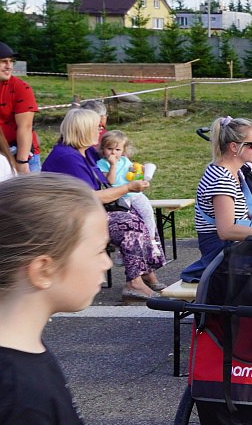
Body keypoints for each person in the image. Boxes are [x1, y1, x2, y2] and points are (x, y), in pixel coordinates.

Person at [0, 173, 108, 425]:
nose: (108, 264)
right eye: (98, 250)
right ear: (43, 269)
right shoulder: (19, 394)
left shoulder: (25, 354)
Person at [42, 108, 166, 301]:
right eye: (96, 127)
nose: (100, 132)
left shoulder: (85, 152)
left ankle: (146, 272)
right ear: (82, 130)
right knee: (129, 223)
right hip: (72, 219)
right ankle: (134, 282)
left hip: (88, 213)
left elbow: (113, 166)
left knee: (140, 214)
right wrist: (127, 188)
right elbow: (92, 197)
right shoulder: (66, 157)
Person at [181, 115, 252, 283]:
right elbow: (226, 231)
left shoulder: (233, 172)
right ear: (234, 146)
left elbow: (250, 208)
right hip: (222, 255)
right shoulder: (222, 180)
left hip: (235, 248)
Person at [96, 130, 163, 267]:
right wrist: (113, 165)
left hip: (135, 195)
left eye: (118, 149)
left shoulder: (125, 160)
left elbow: (131, 174)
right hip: (120, 198)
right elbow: (110, 181)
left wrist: (137, 172)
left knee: (148, 215)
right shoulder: (102, 163)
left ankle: (151, 242)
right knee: (128, 226)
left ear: (123, 151)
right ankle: (123, 252)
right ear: (103, 149)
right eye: (110, 149)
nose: (113, 153)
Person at [0, 41, 40, 173]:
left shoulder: (20, 88)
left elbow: (25, 126)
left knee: (28, 193)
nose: (9, 66)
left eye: (11, 61)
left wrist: (22, 161)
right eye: (3, 61)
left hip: (18, 152)